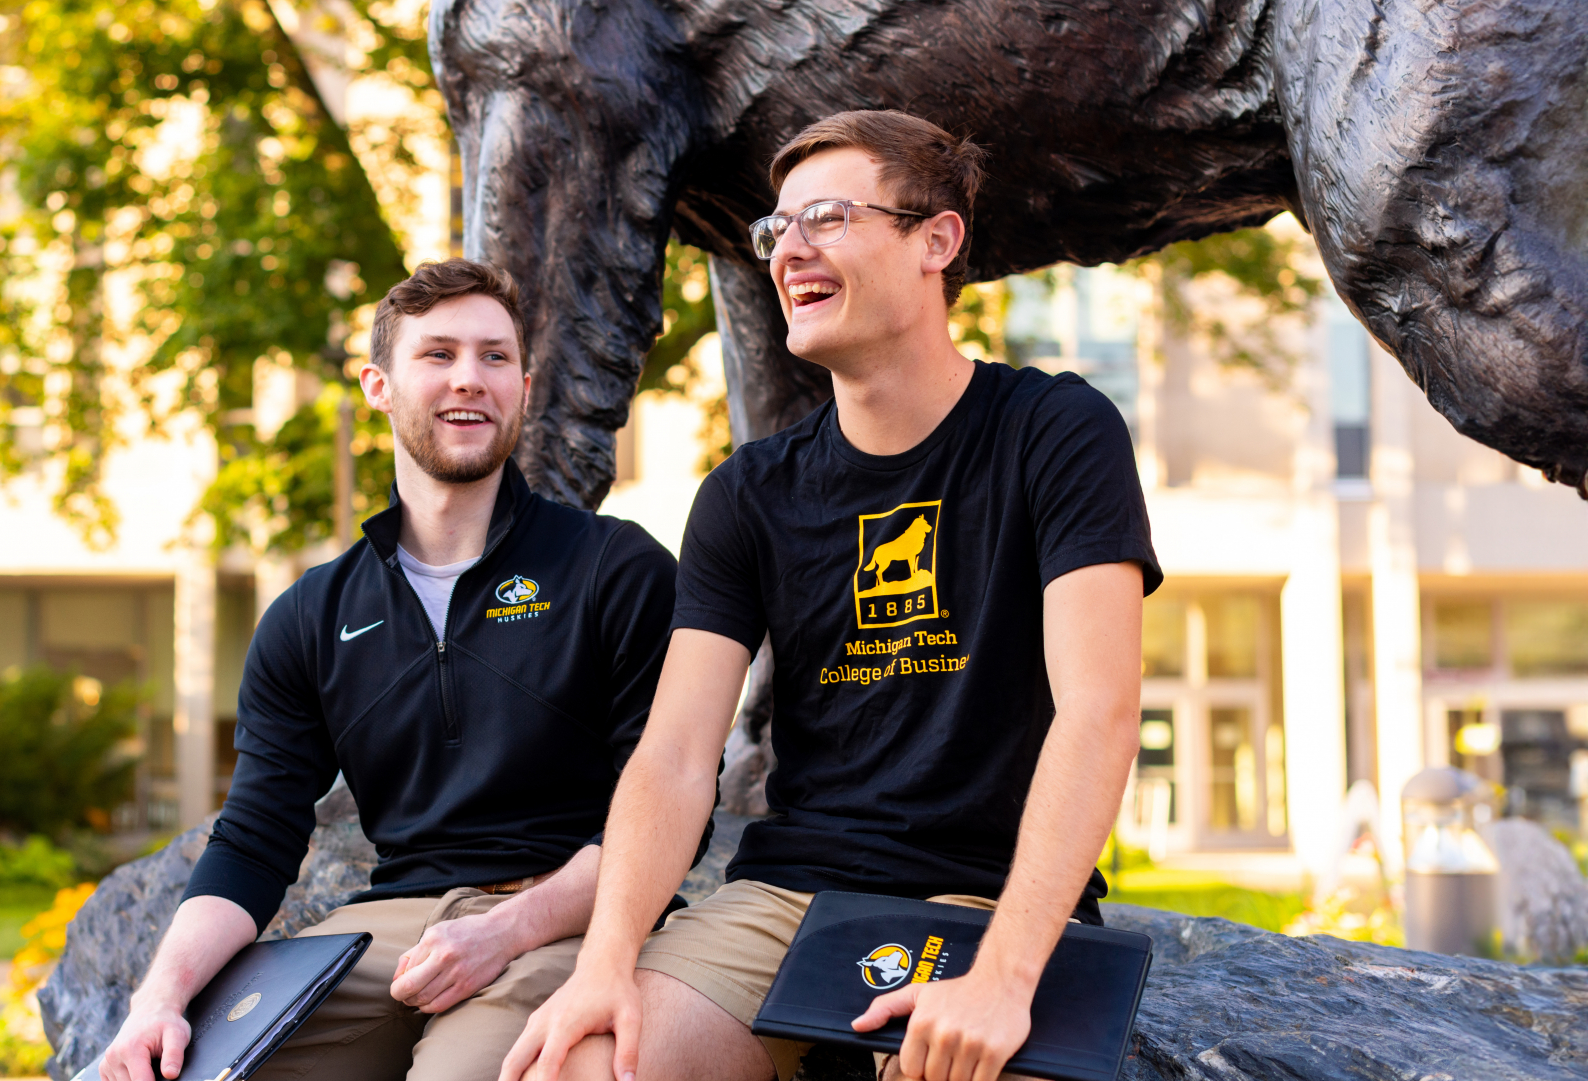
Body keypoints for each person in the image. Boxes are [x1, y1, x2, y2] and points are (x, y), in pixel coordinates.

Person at [497, 110, 1160, 1081]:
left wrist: (1005, 975)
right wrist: (604, 963)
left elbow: (1100, 710)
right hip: (784, 896)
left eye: (830, 217)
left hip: (982, 899)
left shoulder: (1057, 430)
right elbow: (677, 756)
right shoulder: (744, 493)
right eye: (777, 230)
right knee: (584, 1065)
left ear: (936, 240)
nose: (788, 250)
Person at [98, 258, 681, 1081]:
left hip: (566, 917)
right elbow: (257, 836)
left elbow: (663, 810)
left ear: (524, 382)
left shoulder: (615, 568)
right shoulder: (311, 613)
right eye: (437, 355)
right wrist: (158, 998)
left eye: (494, 357)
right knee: (181, 1072)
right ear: (378, 385)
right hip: (391, 929)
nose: (469, 379)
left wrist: (507, 928)